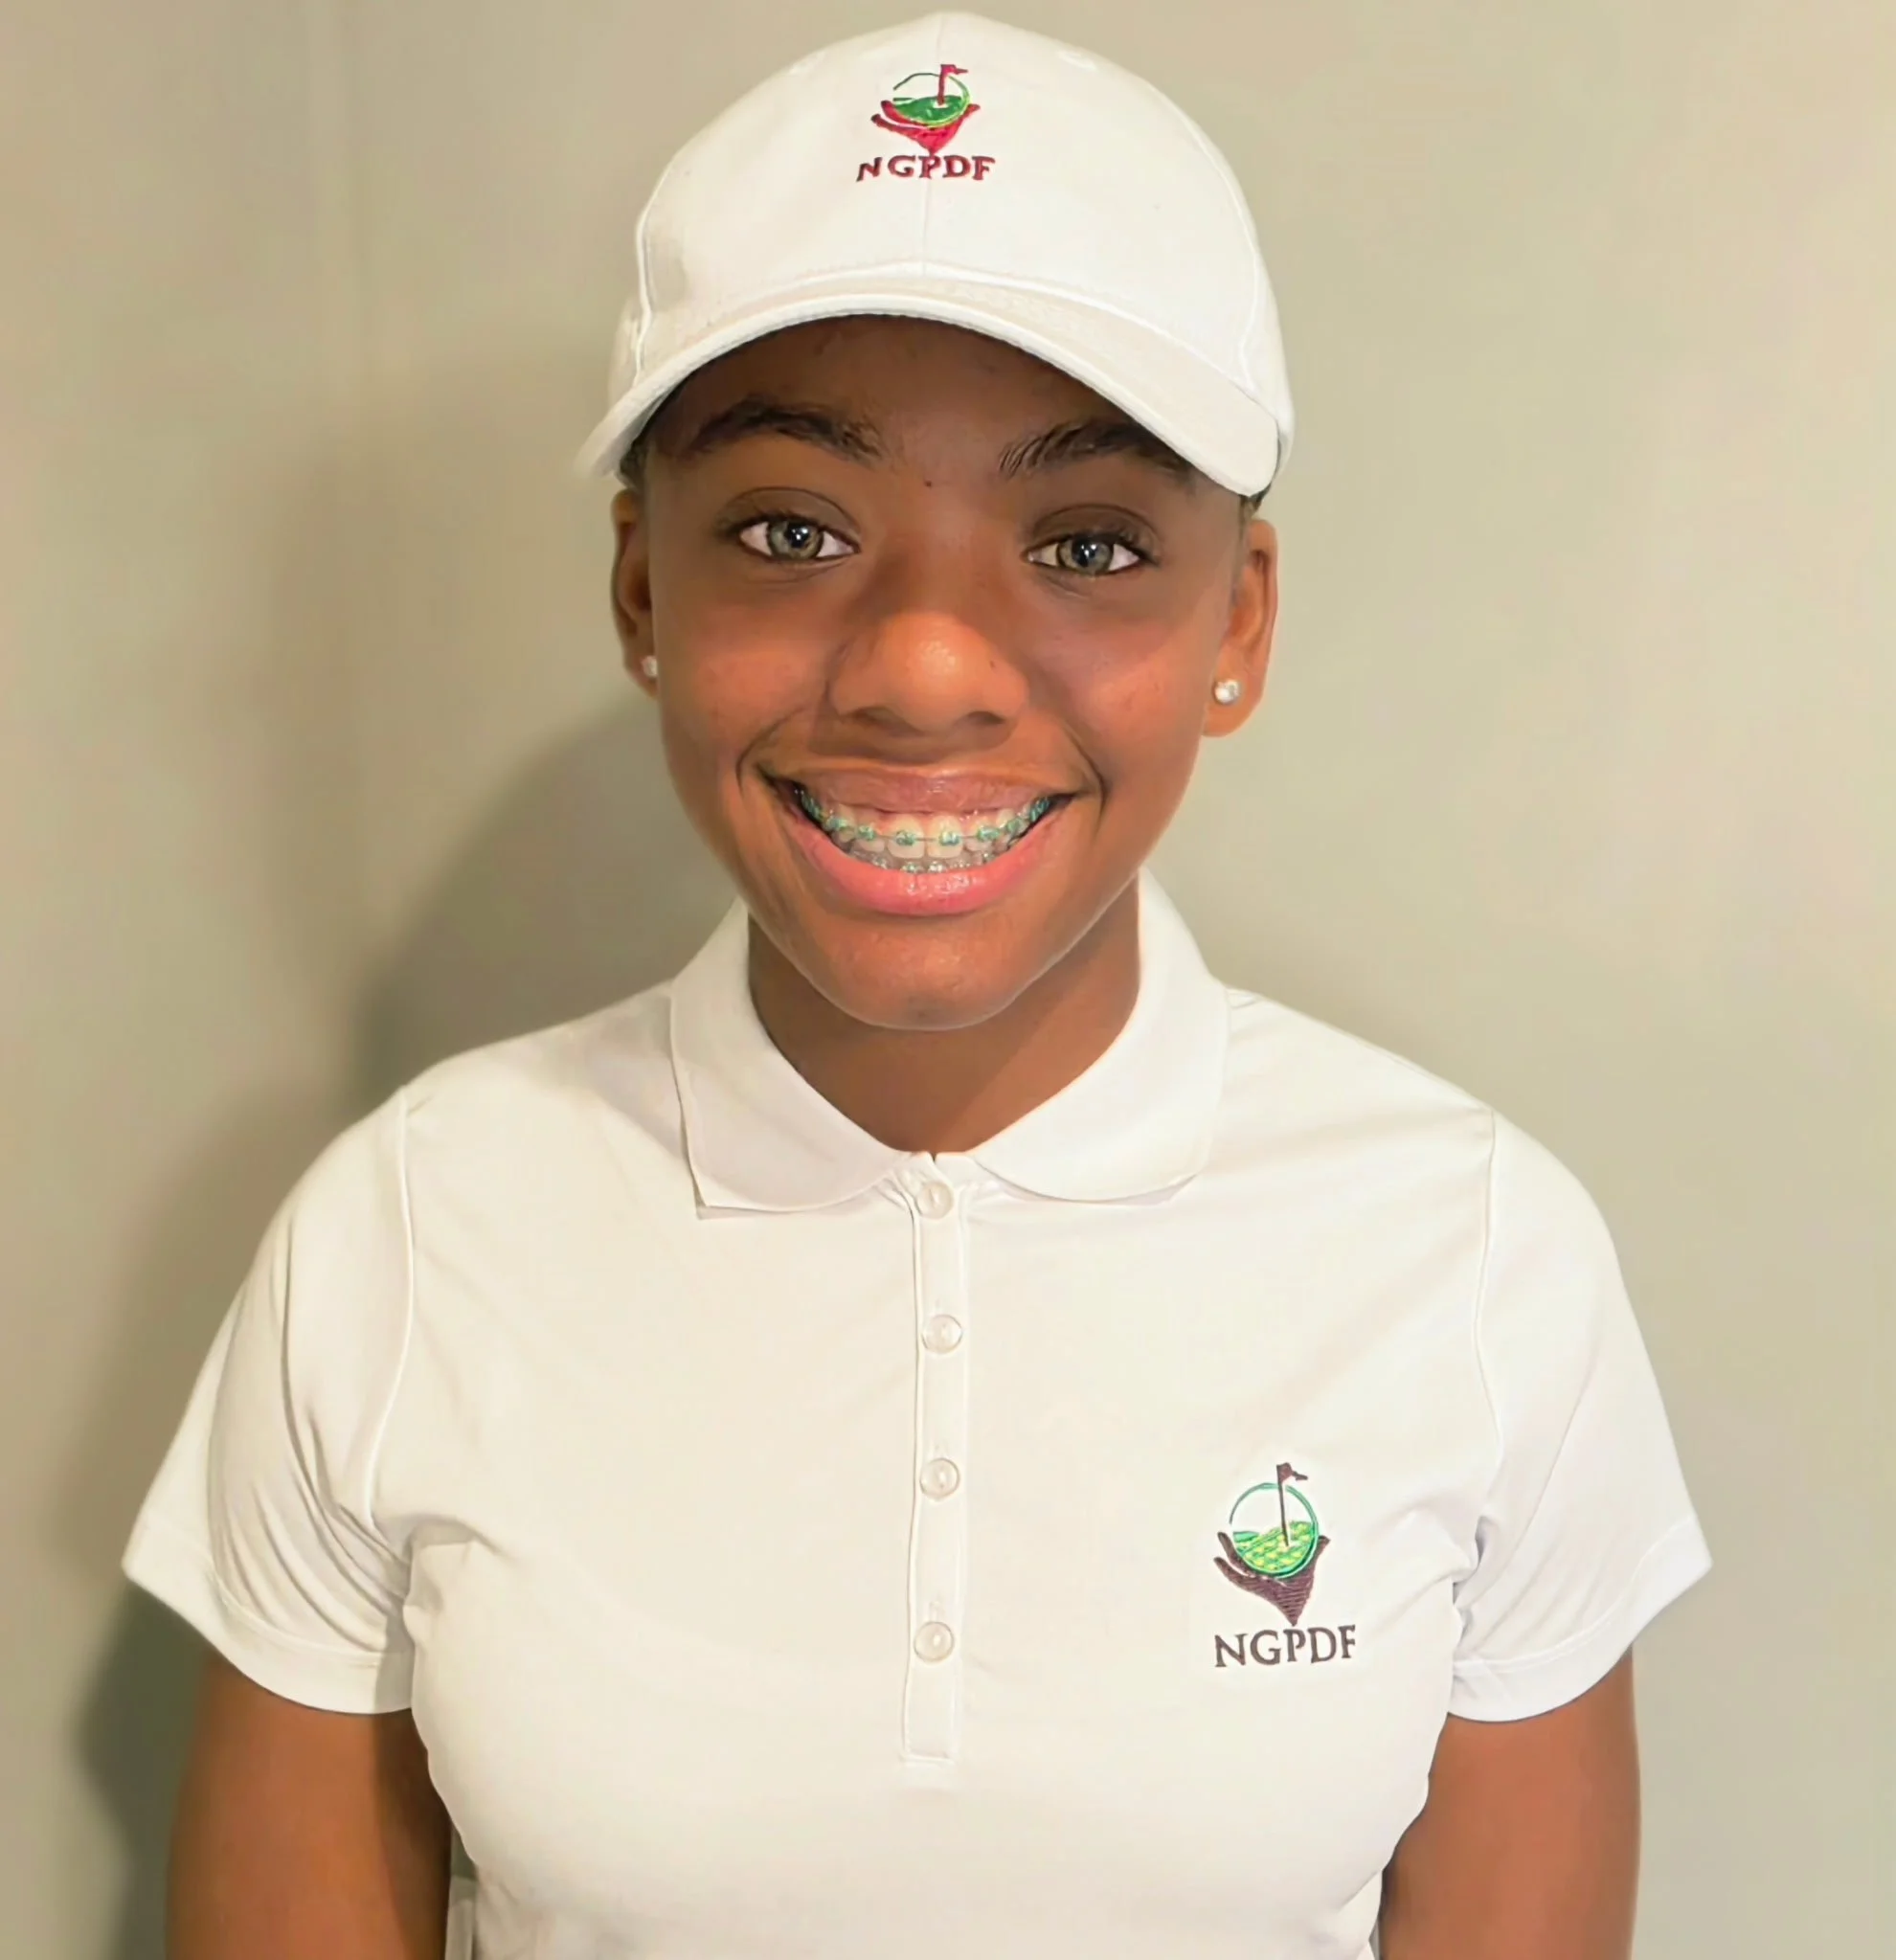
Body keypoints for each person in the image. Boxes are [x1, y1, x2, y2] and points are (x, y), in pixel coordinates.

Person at [124, 13, 1710, 1959]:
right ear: (644, 593)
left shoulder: (1476, 1259)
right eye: (792, 531)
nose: (927, 668)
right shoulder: (409, 1232)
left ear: (1243, 622)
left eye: (1090, 541)